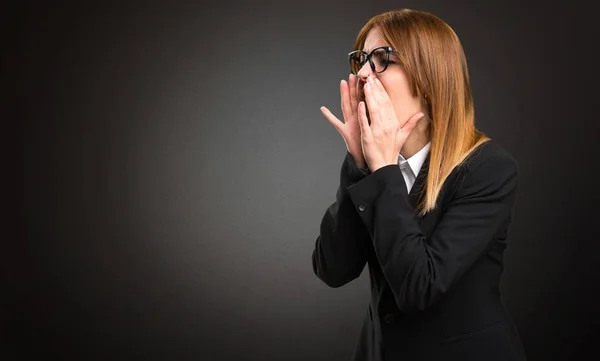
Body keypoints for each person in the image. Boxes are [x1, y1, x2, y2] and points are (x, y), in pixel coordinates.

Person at [311, 8, 528, 361]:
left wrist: (381, 170)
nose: (364, 74)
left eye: (382, 58)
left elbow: (419, 287)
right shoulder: (375, 162)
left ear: (429, 77)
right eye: (361, 60)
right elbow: (333, 270)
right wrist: (358, 163)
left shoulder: (489, 169)